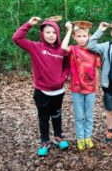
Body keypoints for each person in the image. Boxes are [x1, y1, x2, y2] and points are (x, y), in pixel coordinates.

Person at [12, 16, 70, 157]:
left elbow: (67, 65)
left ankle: (58, 137)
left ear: (58, 34)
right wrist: (29, 24)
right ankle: (45, 141)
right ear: (42, 34)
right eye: (48, 32)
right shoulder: (36, 47)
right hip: (42, 92)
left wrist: (63, 77)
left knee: (57, 115)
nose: (51, 35)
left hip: (58, 91)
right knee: (43, 118)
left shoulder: (62, 49)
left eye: (54, 32)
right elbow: (17, 38)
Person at [61, 21, 101, 151]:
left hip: (90, 89)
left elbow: (96, 70)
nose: (82, 39)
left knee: (89, 116)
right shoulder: (72, 49)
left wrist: (97, 87)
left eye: (84, 36)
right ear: (74, 37)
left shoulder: (93, 51)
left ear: (89, 36)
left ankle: (88, 137)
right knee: (79, 116)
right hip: (77, 88)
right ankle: (80, 138)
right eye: (79, 36)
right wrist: (69, 30)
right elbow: (62, 47)